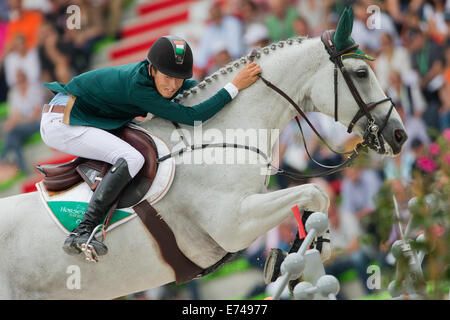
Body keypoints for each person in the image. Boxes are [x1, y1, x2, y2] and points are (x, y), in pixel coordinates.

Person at [40, 35, 262, 257]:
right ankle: (84, 229)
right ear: (152, 69)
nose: (173, 85)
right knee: (132, 158)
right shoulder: (139, 87)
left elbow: (194, 88)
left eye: (179, 78)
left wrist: (233, 80)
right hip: (62, 122)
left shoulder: (157, 75)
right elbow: (195, 116)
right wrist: (234, 87)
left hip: (86, 114)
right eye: (168, 77)